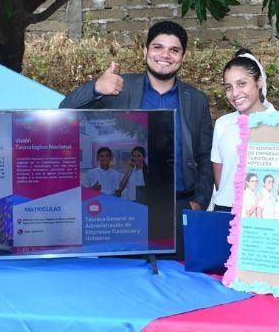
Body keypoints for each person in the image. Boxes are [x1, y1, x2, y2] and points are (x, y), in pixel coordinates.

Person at [59, 21, 212, 259]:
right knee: (119, 285)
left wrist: (199, 202)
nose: (165, 55)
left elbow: (204, 155)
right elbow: (65, 109)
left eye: (174, 49)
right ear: (145, 51)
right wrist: (96, 88)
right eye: (158, 47)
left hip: (178, 209)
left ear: (183, 56)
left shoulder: (196, 99)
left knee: (178, 288)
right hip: (126, 212)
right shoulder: (119, 87)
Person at [210, 48, 277, 212]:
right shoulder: (222, 124)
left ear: (259, 82)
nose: (235, 93)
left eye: (242, 84)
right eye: (228, 87)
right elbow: (220, 177)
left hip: (264, 213)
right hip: (226, 211)